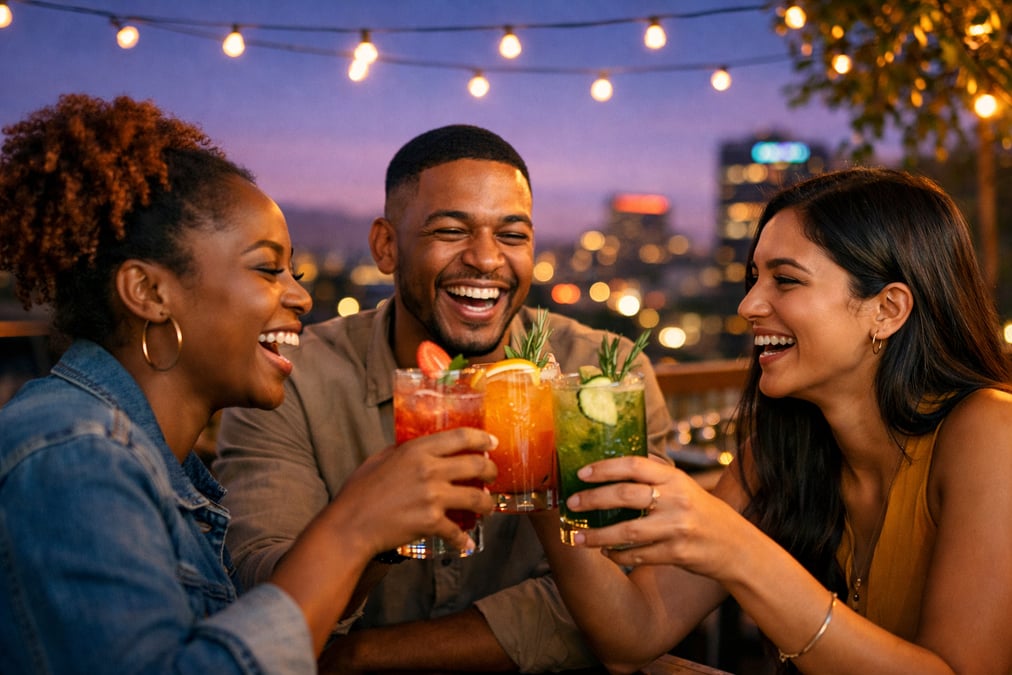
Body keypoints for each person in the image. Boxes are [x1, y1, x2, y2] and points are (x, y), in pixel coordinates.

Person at [0, 95, 498, 674]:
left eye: (296, 272)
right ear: (149, 292)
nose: (301, 297)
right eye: (267, 268)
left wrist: (381, 528)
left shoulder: (164, 473)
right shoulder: (74, 453)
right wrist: (352, 526)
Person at [212, 124, 674, 672]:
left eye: (512, 234)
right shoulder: (287, 383)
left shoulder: (603, 377)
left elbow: (631, 595)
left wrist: (368, 655)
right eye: (452, 230)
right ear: (387, 246)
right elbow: (258, 591)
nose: (485, 259)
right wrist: (375, 530)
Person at [529, 167, 1012, 673]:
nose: (748, 305)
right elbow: (633, 634)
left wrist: (739, 551)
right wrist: (542, 478)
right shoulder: (778, 454)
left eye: (785, 280)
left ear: (887, 310)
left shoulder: (988, 434)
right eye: (754, 278)